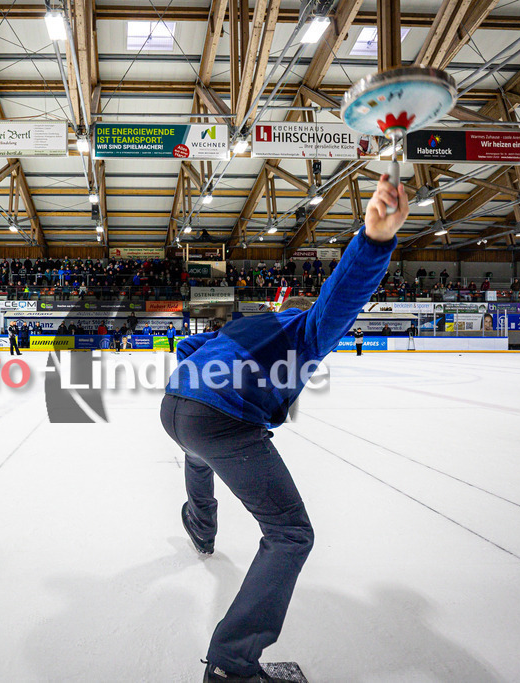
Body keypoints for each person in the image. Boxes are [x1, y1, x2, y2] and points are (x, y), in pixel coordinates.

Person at [161, 173, 407, 683]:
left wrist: (197, 383)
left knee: (197, 452)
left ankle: (200, 528)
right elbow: (339, 302)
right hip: (219, 418)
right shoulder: (304, 330)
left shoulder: (245, 323)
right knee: (290, 533)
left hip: (175, 405)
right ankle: (232, 663)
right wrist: (374, 241)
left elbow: (187, 350)